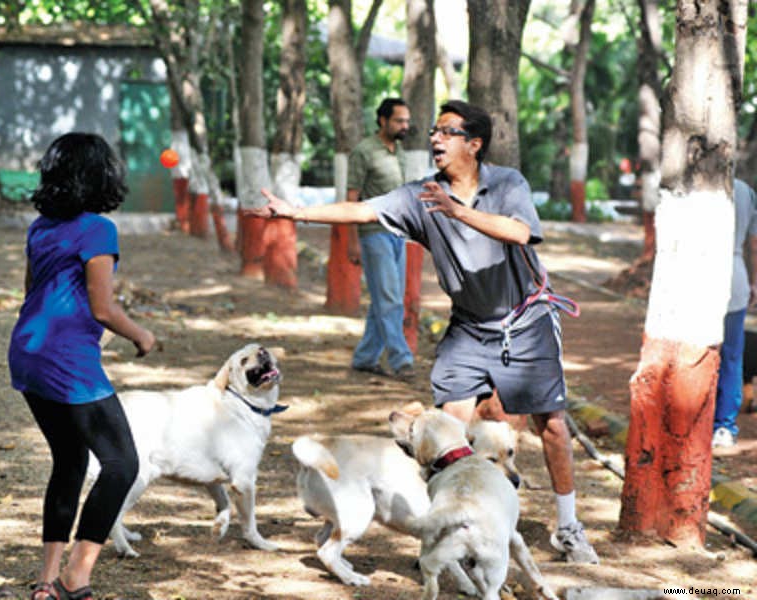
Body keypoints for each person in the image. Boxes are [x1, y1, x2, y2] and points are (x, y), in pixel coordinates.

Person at [250, 100, 600, 564]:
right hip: (469, 329)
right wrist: (294, 213)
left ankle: (569, 527)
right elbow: (364, 211)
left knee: (552, 427)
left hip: (526, 322)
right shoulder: (422, 194)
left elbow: (519, 233)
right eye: (434, 130)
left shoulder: (507, 184)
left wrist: (457, 213)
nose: (434, 138)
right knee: (447, 430)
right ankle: (452, 528)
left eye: (448, 132)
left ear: (474, 145)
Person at [8, 133, 157, 600]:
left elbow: (35, 291)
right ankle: (77, 575)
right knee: (121, 463)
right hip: (64, 360)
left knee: (69, 461)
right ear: (100, 174)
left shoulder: (40, 227)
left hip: (28, 351)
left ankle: (47, 581)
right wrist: (141, 334)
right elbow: (103, 308)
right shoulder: (97, 230)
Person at [347, 98, 415, 380]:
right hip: (373, 233)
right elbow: (352, 196)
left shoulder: (399, 151)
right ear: (383, 121)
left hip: (398, 234)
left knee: (386, 299)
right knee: (389, 299)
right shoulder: (364, 151)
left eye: (407, 121)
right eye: (399, 121)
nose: (404, 126)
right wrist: (352, 241)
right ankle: (402, 360)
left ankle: (365, 357)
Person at [713, 178, 757, 448]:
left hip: (699, 274)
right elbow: (754, 244)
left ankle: (695, 419)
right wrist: (754, 281)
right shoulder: (745, 191)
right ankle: (725, 427)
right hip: (734, 274)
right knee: (731, 355)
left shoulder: (694, 183)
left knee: (700, 351)